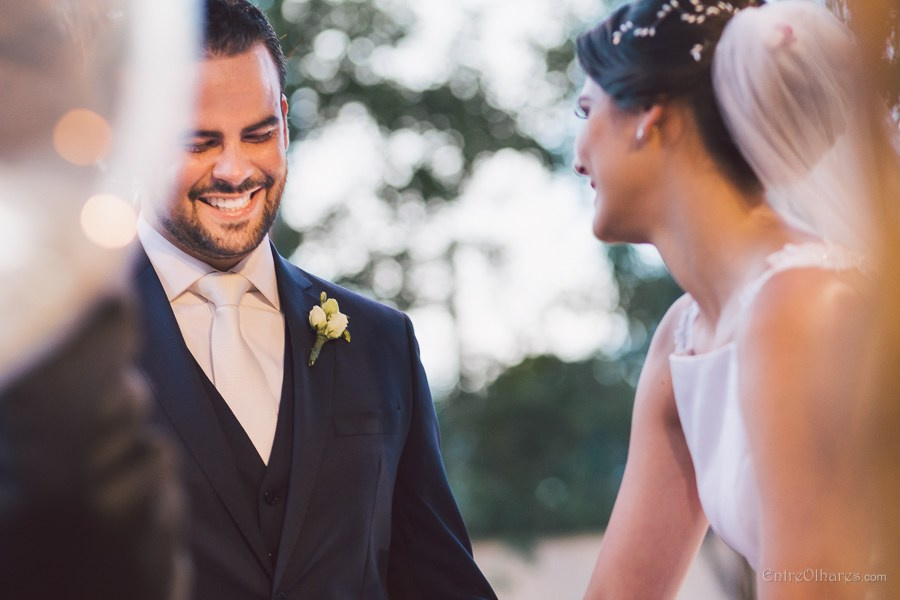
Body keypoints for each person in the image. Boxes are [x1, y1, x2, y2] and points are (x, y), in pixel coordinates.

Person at [132, 1, 496, 598]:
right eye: (199, 142)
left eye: (258, 134)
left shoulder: (382, 343)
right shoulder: (59, 344)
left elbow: (439, 580)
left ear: (285, 119)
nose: (234, 170)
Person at [572, 0, 893, 597]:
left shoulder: (805, 303)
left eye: (585, 109)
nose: (575, 156)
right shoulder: (683, 334)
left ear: (647, 113)